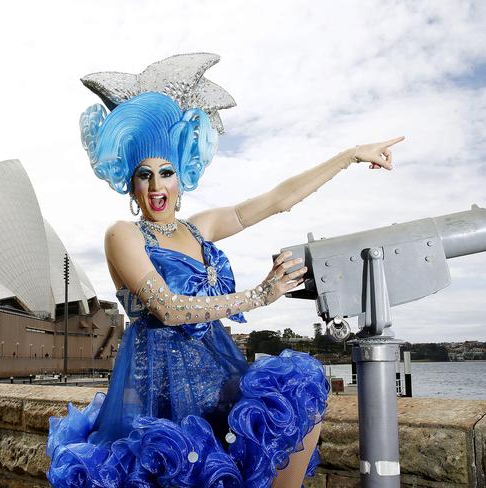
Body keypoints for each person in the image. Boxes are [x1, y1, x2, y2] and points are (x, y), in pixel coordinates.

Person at [47, 53, 404, 488]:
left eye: (166, 172)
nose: (157, 186)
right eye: (145, 175)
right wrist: (259, 296)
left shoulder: (201, 228)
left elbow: (278, 199)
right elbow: (169, 309)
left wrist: (348, 155)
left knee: (295, 401)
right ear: (131, 182)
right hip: (155, 391)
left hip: (217, 379)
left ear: (182, 175)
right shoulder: (123, 234)